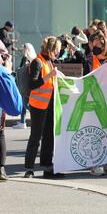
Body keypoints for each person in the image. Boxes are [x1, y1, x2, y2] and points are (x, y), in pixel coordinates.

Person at [24, 37, 65, 179]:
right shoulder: (37, 62)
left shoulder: (49, 61)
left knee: (49, 137)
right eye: (57, 50)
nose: (59, 53)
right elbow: (32, 84)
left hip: (49, 105)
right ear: (51, 50)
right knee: (35, 137)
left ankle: (48, 168)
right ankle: (29, 169)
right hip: (38, 106)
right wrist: (49, 76)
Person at [83, 32, 107, 176]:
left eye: (100, 43)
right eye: (95, 43)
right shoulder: (89, 60)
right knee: (95, 133)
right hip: (93, 101)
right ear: (91, 44)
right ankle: (94, 163)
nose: (98, 46)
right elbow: (84, 78)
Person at [0, 41, 22, 180]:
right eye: (2, 56)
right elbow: (16, 107)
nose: (3, 60)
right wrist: (8, 72)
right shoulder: (2, 73)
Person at [13, 43, 37, 129]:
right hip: (25, 86)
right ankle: (23, 121)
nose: (22, 50)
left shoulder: (28, 59)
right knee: (24, 104)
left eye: (23, 49)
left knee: (27, 105)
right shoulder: (28, 58)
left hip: (27, 86)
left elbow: (24, 71)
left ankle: (38, 118)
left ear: (27, 50)